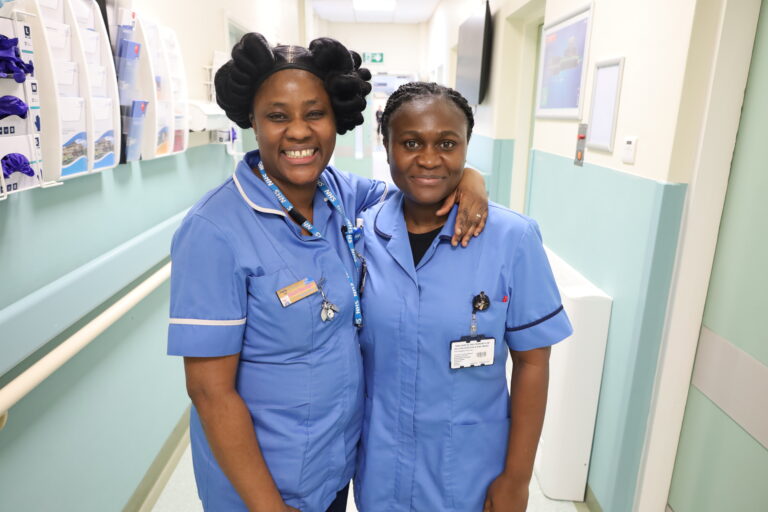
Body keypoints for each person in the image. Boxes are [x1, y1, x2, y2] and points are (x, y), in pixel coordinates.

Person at [167, 35, 488, 512]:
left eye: (314, 113)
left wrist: (470, 176)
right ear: (251, 122)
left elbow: (411, 185)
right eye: (278, 116)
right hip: (261, 491)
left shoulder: (341, 194)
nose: (298, 131)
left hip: (334, 472)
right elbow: (210, 393)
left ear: (336, 119)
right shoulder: (215, 230)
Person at [354, 82, 573, 512]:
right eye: (411, 142)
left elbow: (533, 362)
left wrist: (517, 478)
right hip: (380, 467)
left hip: (470, 469)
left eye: (447, 143)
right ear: (386, 146)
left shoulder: (512, 238)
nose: (429, 158)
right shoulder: (363, 233)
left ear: (467, 146)